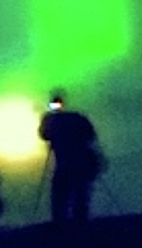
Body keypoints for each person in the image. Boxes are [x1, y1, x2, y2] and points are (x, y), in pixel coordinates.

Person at [39, 89, 105, 223]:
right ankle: (79, 221)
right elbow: (90, 135)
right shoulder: (77, 117)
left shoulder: (52, 120)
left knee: (61, 195)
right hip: (79, 162)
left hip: (66, 163)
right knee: (79, 193)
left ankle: (62, 223)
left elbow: (44, 135)